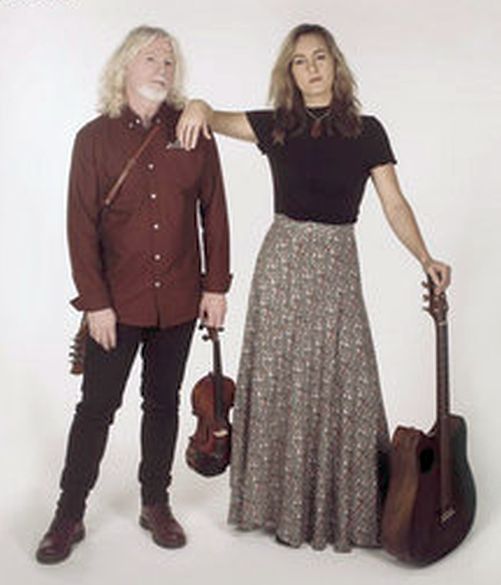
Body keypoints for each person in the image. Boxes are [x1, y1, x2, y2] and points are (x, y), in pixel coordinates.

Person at [176, 23, 450, 552]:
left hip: (337, 264)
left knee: (348, 382)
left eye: (319, 57)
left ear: (335, 64)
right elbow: (213, 118)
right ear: (291, 73)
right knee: (279, 379)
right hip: (282, 265)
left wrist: (425, 256)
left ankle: (345, 510)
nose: (311, 68)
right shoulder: (277, 125)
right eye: (300, 61)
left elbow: (394, 203)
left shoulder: (367, 131)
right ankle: (275, 508)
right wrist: (200, 104)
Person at [36, 25, 232, 564]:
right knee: (96, 408)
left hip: (180, 299)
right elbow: (80, 226)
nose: (162, 68)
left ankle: (155, 503)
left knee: (163, 404)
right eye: (150, 58)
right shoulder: (93, 139)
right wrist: (94, 302)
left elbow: (214, 213)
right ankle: (68, 513)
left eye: (169, 61)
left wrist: (216, 287)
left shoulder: (195, 133)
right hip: (115, 306)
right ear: (125, 66)